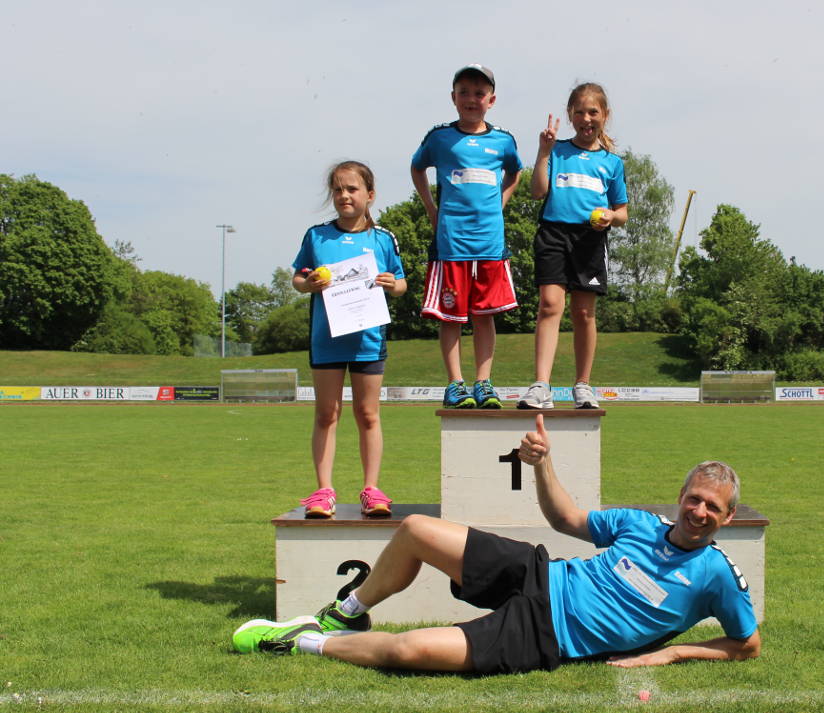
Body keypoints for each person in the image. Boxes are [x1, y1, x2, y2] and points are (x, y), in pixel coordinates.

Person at [233, 414, 761, 673]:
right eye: (695, 499)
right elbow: (566, 518)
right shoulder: (639, 523)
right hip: (540, 574)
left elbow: (747, 645)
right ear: (681, 496)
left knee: (409, 649)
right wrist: (543, 464)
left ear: (728, 516)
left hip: (548, 636)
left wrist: (669, 656)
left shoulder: (716, 574)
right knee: (415, 529)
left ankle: (300, 642)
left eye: (713, 507)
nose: (700, 512)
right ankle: (346, 613)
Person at [291, 161, 408, 518]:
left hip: (368, 339)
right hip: (327, 338)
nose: (344, 195)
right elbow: (298, 278)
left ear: (370, 195)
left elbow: (401, 283)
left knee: (368, 414)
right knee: (327, 414)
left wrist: (393, 284)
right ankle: (323, 491)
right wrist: (307, 284)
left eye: (352, 189)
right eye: (338, 189)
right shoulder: (317, 236)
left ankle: (371, 490)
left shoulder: (383, 239)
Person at [410, 64, 523, 410]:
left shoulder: (503, 140)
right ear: (453, 98)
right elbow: (417, 167)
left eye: (479, 93)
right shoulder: (440, 138)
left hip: (488, 244)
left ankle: (484, 382)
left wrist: (498, 205)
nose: (471, 99)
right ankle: (455, 384)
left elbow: (514, 173)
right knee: (451, 316)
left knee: (484, 315)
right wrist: (431, 209)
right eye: (464, 92)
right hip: (451, 243)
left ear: (491, 99)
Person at [518, 83, 628, 410]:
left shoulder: (611, 163)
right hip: (553, 233)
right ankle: (541, 386)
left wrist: (610, 215)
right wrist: (542, 150)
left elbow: (622, 212)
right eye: (579, 112)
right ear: (570, 115)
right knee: (550, 305)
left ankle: (582, 386)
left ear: (605, 116)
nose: (586, 118)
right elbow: (537, 191)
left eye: (593, 112)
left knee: (583, 313)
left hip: (590, 240)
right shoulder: (558, 151)